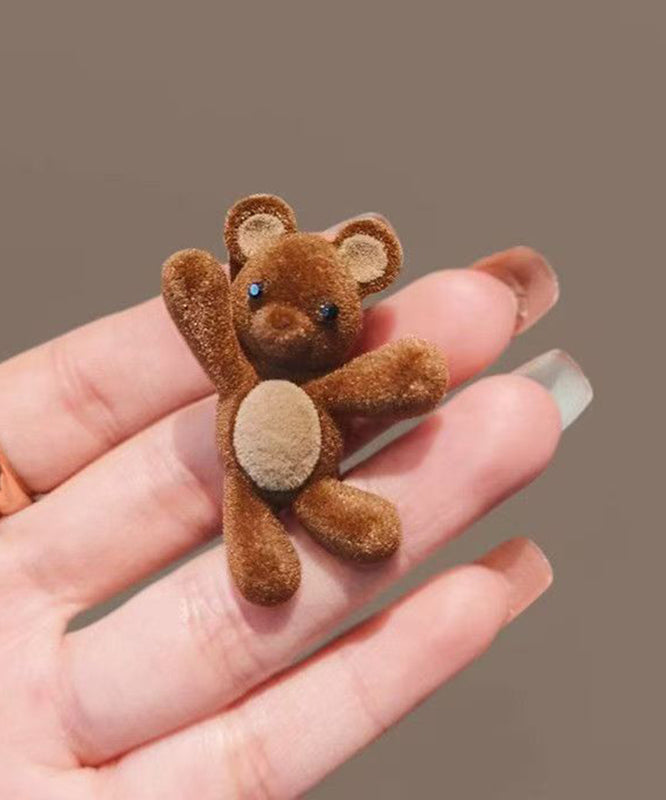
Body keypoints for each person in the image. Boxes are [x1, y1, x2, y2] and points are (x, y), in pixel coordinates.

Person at [0, 231, 591, 798]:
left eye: (324, 313)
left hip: (314, 478)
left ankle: (323, 506)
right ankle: (280, 525)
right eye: (258, 295)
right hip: (244, 488)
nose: (282, 322)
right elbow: (201, 307)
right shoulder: (236, 373)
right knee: (258, 544)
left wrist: (404, 377)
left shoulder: (320, 386)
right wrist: (199, 289)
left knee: (351, 521)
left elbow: (375, 383)